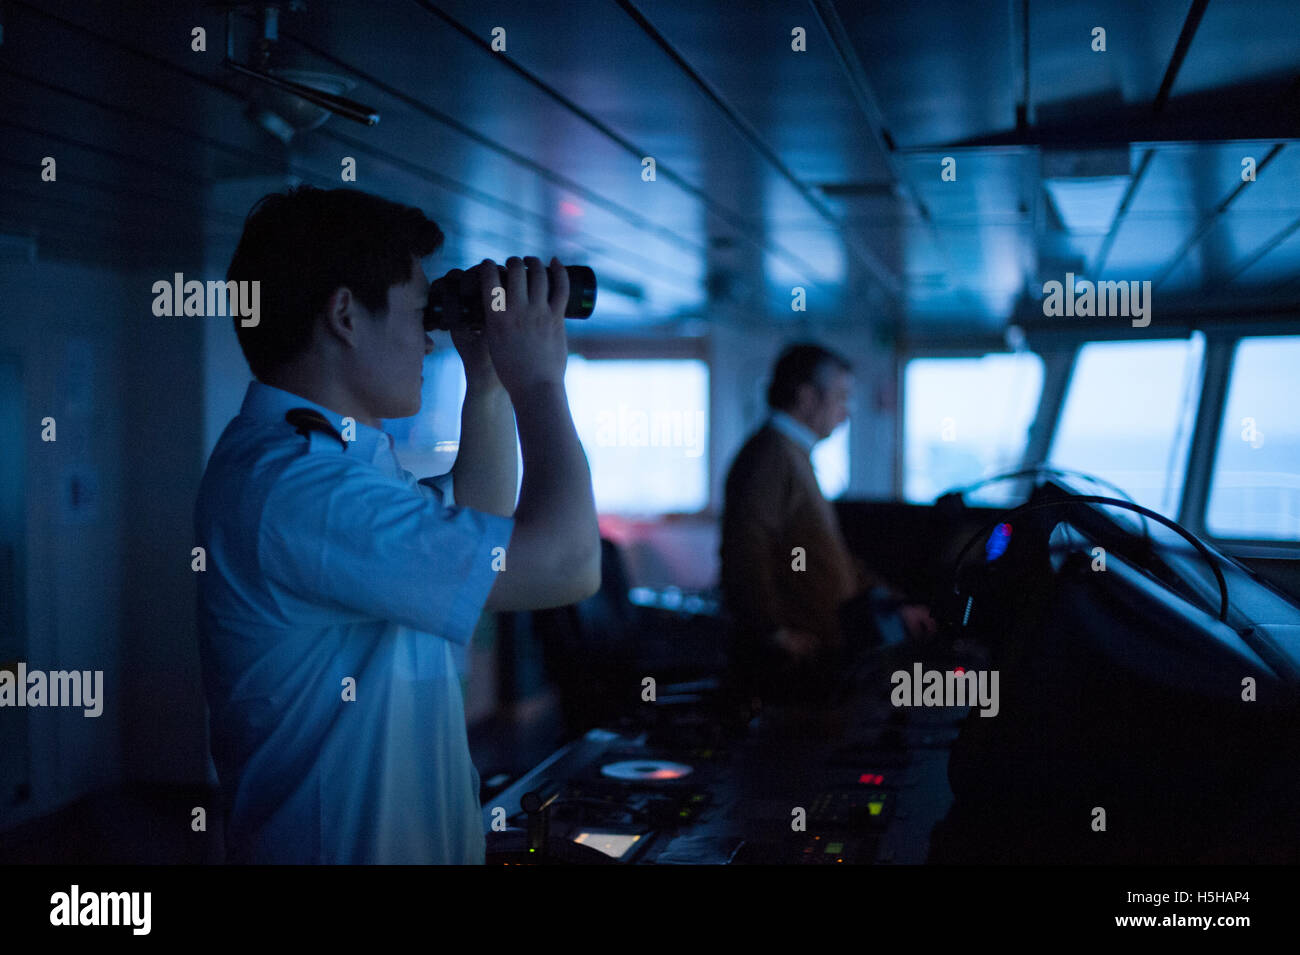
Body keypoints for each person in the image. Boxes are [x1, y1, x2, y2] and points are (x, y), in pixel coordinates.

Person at [194, 185, 600, 863]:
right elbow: (567, 564)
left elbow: (481, 524)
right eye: (420, 312)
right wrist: (540, 382)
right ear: (346, 315)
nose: (432, 338)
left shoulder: (324, 464)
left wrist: (493, 380)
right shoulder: (298, 486)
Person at [719, 343, 935, 701]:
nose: (845, 413)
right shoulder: (772, 456)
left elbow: (827, 556)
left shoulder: (792, 455)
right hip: (793, 662)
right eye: (840, 397)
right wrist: (772, 633)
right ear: (806, 397)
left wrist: (895, 605)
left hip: (822, 651)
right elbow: (746, 550)